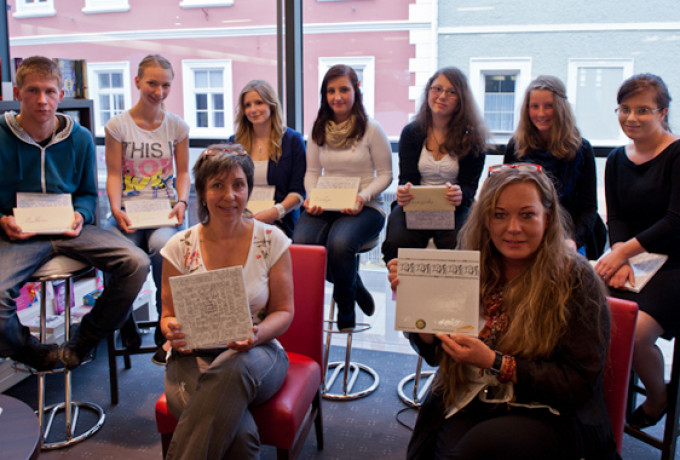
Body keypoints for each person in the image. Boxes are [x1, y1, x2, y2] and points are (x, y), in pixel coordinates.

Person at [389, 166, 617, 459]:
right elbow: (437, 357)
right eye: (499, 215)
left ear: (547, 218)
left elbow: (577, 382)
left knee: (471, 451)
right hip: (474, 395)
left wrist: (494, 361)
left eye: (527, 215)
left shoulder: (575, 280)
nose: (513, 228)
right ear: (486, 220)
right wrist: (423, 316)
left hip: (548, 410)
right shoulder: (469, 268)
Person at [0, 56, 149, 371]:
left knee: (136, 263)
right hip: (19, 235)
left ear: (61, 95)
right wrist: (2, 221)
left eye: (50, 91)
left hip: (70, 229)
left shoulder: (80, 138)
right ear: (17, 92)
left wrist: (81, 213)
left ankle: (82, 342)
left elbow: (86, 194)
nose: (42, 100)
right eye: (33, 91)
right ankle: (32, 353)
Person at [160, 144, 293, 459]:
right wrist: (172, 329)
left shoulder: (271, 240)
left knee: (234, 369)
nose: (229, 195)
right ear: (203, 192)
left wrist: (256, 334)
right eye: (217, 185)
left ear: (249, 190)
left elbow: (284, 311)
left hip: (258, 352)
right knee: (241, 438)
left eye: (238, 185)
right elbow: (166, 316)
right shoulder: (179, 246)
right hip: (191, 358)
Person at [595, 73, 680, 430]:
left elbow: (675, 221)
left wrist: (621, 254)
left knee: (637, 331)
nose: (631, 117)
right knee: (582, 307)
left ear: (662, 113)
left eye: (642, 110)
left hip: (674, 263)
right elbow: (616, 217)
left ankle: (658, 396)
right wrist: (619, 254)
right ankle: (596, 400)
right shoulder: (617, 159)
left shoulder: (677, 154)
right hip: (631, 258)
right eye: (624, 109)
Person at [293, 64, 392, 331]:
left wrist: (362, 196)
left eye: (344, 90)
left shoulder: (372, 129)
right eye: (331, 91)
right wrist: (312, 197)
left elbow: (386, 175)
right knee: (302, 243)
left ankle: (346, 310)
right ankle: (353, 282)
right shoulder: (318, 129)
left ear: (355, 91)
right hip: (327, 202)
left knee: (340, 244)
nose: (337, 97)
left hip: (366, 205)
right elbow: (312, 172)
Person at [105, 54, 190, 363]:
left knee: (164, 247)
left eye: (166, 85)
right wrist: (115, 208)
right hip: (128, 210)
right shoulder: (118, 126)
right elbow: (114, 174)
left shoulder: (177, 126)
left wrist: (182, 202)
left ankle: (163, 317)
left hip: (164, 210)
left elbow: (183, 172)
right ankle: (123, 317)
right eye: (152, 83)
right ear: (137, 81)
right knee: (117, 254)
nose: (159, 92)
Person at [381, 67, 487, 263]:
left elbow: (470, 187)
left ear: (461, 100)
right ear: (428, 91)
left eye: (451, 92)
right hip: (416, 204)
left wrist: (460, 194)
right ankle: (402, 283)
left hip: (454, 207)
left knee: (459, 242)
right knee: (398, 241)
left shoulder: (473, 138)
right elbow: (407, 179)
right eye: (437, 89)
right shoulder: (411, 133)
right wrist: (404, 190)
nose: (442, 96)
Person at [504, 75, 606, 259]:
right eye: (534, 106)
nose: (541, 113)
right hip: (525, 229)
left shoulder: (582, 149)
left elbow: (589, 208)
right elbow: (506, 197)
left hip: (569, 233)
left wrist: (573, 240)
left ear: (560, 108)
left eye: (548, 106)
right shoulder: (516, 146)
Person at [229, 79, 306, 237]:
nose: (253, 110)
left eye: (259, 103)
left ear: (271, 105)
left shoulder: (293, 140)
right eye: (247, 105)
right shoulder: (234, 143)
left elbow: (298, 192)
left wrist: (274, 213)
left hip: (280, 217)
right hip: (241, 215)